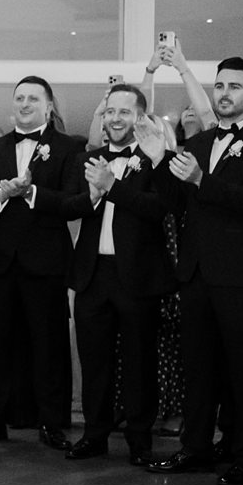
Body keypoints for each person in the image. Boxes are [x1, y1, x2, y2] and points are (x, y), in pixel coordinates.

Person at [148, 55, 243, 485]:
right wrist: (158, 160)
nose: (225, 93)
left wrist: (200, 181)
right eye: (220, 86)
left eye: (234, 87)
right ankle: (195, 447)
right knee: (198, 366)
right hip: (195, 271)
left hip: (241, 272)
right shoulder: (199, 143)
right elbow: (173, 203)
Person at [0, 76, 84, 447]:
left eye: (34, 98)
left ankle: (51, 423)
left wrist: (31, 193)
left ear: (48, 106)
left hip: (44, 261)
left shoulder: (67, 147)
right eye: (19, 98)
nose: (25, 104)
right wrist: (1, 193)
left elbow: (71, 202)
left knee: (47, 344)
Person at [67, 84, 175, 465]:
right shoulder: (87, 158)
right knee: (93, 362)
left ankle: (139, 440)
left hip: (138, 277)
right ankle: (94, 434)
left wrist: (113, 187)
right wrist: (92, 195)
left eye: (124, 112)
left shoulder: (156, 160)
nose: (115, 119)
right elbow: (69, 206)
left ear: (140, 118)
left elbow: (159, 208)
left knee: (139, 361)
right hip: (93, 275)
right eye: (110, 112)